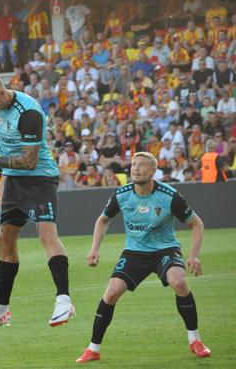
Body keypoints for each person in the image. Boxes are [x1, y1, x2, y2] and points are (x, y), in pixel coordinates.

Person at [76, 152, 211, 363]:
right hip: (134, 252)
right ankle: (93, 349)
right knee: (111, 293)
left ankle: (195, 339)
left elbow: (197, 223)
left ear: (153, 171)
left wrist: (194, 256)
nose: (136, 169)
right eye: (133, 165)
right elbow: (103, 220)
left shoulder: (169, 196)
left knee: (179, 282)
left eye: (141, 165)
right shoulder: (122, 194)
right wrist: (94, 249)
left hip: (165, 249)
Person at [0, 72, 74, 334]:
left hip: (39, 179)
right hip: (14, 180)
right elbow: (7, 148)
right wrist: (4, 180)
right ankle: (0, 309)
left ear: (2, 94)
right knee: (5, 240)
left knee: (46, 235)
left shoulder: (29, 113)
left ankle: (64, 300)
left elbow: (29, 161)